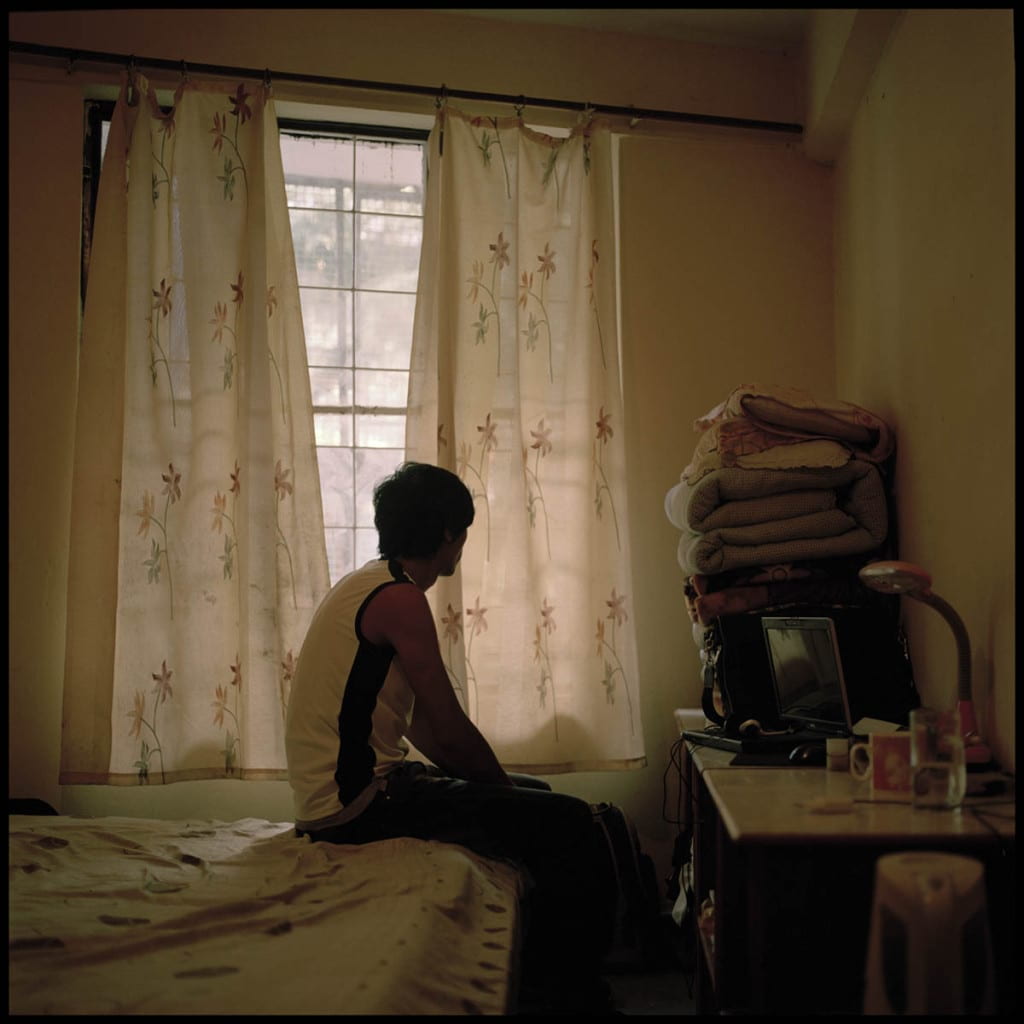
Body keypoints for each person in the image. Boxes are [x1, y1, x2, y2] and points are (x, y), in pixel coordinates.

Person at [285, 461, 617, 1013]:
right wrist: (501, 792)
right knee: (572, 823)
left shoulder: (370, 583)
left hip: (355, 794)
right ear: (445, 532)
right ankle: (574, 998)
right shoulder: (400, 599)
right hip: (356, 807)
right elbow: (452, 731)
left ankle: (545, 978)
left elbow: (416, 725)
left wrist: (506, 790)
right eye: (461, 533)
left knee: (538, 796)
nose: (461, 548)